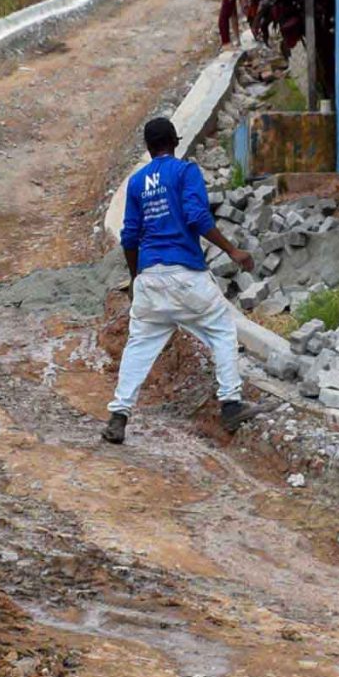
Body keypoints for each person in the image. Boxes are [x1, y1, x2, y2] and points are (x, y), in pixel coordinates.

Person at [105, 116, 257, 445]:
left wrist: (135, 278)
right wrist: (232, 250)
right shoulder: (185, 172)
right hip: (185, 274)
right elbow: (196, 216)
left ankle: (118, 416)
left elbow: (129, 236)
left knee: (139, 346)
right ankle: (231, 404)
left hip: (149, 278)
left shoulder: (136, 182)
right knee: (222, 330)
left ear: (148, 148)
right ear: (175, 142)